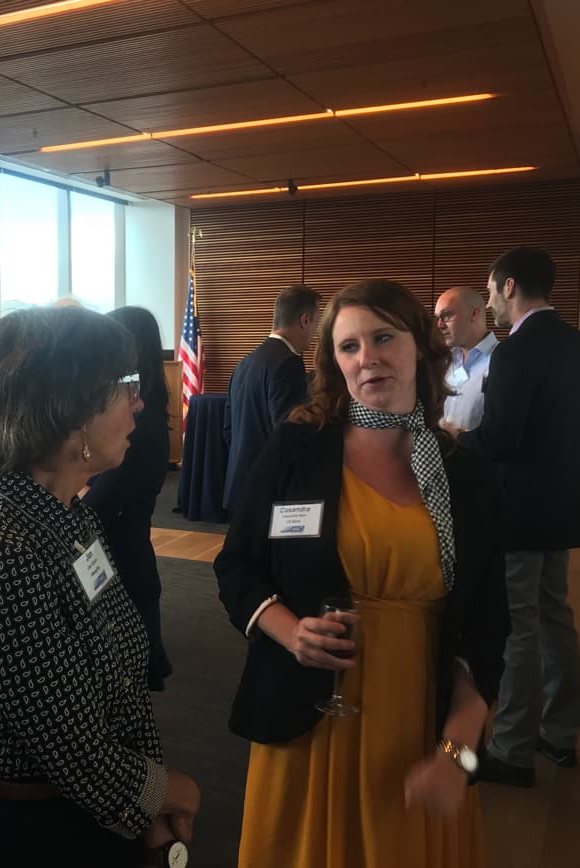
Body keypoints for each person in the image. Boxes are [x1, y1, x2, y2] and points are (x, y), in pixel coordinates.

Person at [215, 279, 509, 868]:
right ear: (334, 365)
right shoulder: (297, 450)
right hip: (306, 719)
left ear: (421, 349)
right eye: (348, 347)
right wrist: (289, 630)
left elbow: (488, 630)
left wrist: (458, 759)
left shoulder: (463, 475)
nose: (367, 358)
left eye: (383, 338)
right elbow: (238, 565)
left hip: (414, 725)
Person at [0, 306, 200, 867]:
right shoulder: (0, 552)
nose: (139, 402)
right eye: (122, 388)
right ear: (68, 413)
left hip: (85, 817)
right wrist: (173, 793)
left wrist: (149, 802)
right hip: (31, 836)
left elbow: (119, 672)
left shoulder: (67, 517)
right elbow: (74, 753)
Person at [458, 247, 580, 786]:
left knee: (518, 625)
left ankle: (513, 749)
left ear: (510, 285)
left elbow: (500, 438)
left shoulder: (516, 353)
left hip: (519, 507)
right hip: (564, 504)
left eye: (491, 289)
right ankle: (560, 736)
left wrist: (455, 439)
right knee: (554, 614)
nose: (490, 299)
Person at [83, 305, 173, 691]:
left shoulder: (142, 426)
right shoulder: (135, 416)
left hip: (123, 569)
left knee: (125, 693)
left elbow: (97, 505)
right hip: (116, 562)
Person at [223, 284, 318, 512]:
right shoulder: (289, 363)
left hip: (240, 484)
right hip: (269, 490)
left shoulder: (244, 363)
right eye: (316, 322)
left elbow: (228, 429)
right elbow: (288, 433)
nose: (315, 331)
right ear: (305, 320)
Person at [434, 287, 497, 430]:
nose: (440, 325)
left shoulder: (502, 361)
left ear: (474, 314)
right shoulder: (443, 361)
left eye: (447, 315)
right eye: (438, 317)